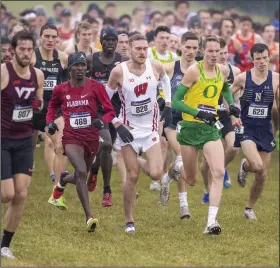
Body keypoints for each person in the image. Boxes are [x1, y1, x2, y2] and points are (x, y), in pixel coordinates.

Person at [172, 35, 240, 235]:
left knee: (218, 172)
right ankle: (177, 169)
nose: (214, 54)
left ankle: (211, 222)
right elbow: (176, 102)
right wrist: (197, 112)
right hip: (190, 128)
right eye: (210, 51)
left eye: (217, 51)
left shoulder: (222, 71)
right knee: (191, 180)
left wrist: (231, 106)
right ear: (203, 51)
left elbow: (225, 88)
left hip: (210, 129)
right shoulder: (194, 71)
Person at [106, 34, 172, 233]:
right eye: (138, 49)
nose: (142, 52)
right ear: (129, 50)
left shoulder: (156, 67)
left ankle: (143, 163)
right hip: (128, 131)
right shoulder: (119, 72)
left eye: (145, 48)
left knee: (156, 173)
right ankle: (129, 220)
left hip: (150, 130)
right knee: (132, 176)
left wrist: (167, 103)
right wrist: (117, 124)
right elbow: (105, 103)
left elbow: (166, 81)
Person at [46, 52, 116, 232]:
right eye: (76, 66)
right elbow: (52, 106)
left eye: (83, 66)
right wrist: (50, 123)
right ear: (69, 69)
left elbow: (109, 111)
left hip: (91, 138)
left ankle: (62, 180)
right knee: (82, 171)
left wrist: (103, 121)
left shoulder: (95, 87)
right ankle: (89, 217)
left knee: (79, 176)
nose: (81, 69)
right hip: (71, 138)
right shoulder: (61, 89)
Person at [1, 30, 44, 259]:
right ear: (13, 50)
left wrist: (41, 119)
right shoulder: (3, 72)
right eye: (22, 49)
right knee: (6, 194)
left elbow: (38, 106)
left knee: (21, 194)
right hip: (2, 140)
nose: (26, 54)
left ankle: (4, 245)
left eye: (30, 50)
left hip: (25, 141)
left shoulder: (38, 75)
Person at [231, 43, 279, 220]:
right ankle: (245, 165)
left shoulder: (276, 79)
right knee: (257, 165)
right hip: (247, 128)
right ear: (252, 59)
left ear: (269, 57)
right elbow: (226, 95)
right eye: (258, 58)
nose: (262, 62)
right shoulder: (243, 78)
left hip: (265, 129)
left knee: (262, 174)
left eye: (265, 58)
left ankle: (249, 208)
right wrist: (233, 115)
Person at [86, 26, 128, 207]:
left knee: (104, 149)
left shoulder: (123, 61)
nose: (111, 43)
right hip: (98, 112)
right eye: (107, 40)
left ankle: (94, 169)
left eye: (113, 40)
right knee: (107, 145)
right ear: (101, 41)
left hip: (116, 111)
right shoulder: (91, 60)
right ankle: (107, 190)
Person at [159, 32, 199, 221]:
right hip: (172, 122)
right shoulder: (169, 68)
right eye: (188, 47)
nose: (191, 51)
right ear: (181, 46)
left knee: (184, 162)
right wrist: (161, 102)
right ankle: (184, 206)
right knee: (182, 156)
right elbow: (152, 83)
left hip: (191, 122)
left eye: (195, 48)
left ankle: (167, 178)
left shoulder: (200, 70)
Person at [30, 23, 68, 209]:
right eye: (47, 36)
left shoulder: (62, 58)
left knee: (58, 144)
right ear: (40, 37)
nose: (51, 40)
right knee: (27, 150)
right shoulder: (31, 57)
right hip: (33, 110)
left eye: (54, 37)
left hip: (55, 109)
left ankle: (56, 190)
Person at [201, 38, 241, 203]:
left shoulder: (233, 71)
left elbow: (233, 96)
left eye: (224, 53)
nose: (222, 56)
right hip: (208, 116)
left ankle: (221, 169)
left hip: (225, 116)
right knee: (205, 164)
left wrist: (234, 113)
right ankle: (207, 190)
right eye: (218, 52)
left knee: (233, 147)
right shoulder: (204, 69)